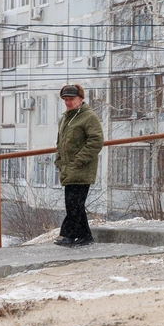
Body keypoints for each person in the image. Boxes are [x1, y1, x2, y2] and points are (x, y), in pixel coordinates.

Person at [53, 84, 104, 247]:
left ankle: (69, 235)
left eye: (71, 99)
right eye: (65, 100)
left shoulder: (89, 116)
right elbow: (60, 142)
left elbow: (96, 141)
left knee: (74, 203)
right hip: (68, 168)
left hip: (82, 168)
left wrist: (79, 161)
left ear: (81, 99)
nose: (68, 103)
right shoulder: (65, 119)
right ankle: (85, 236)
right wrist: (59, 159)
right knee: (74, 203)